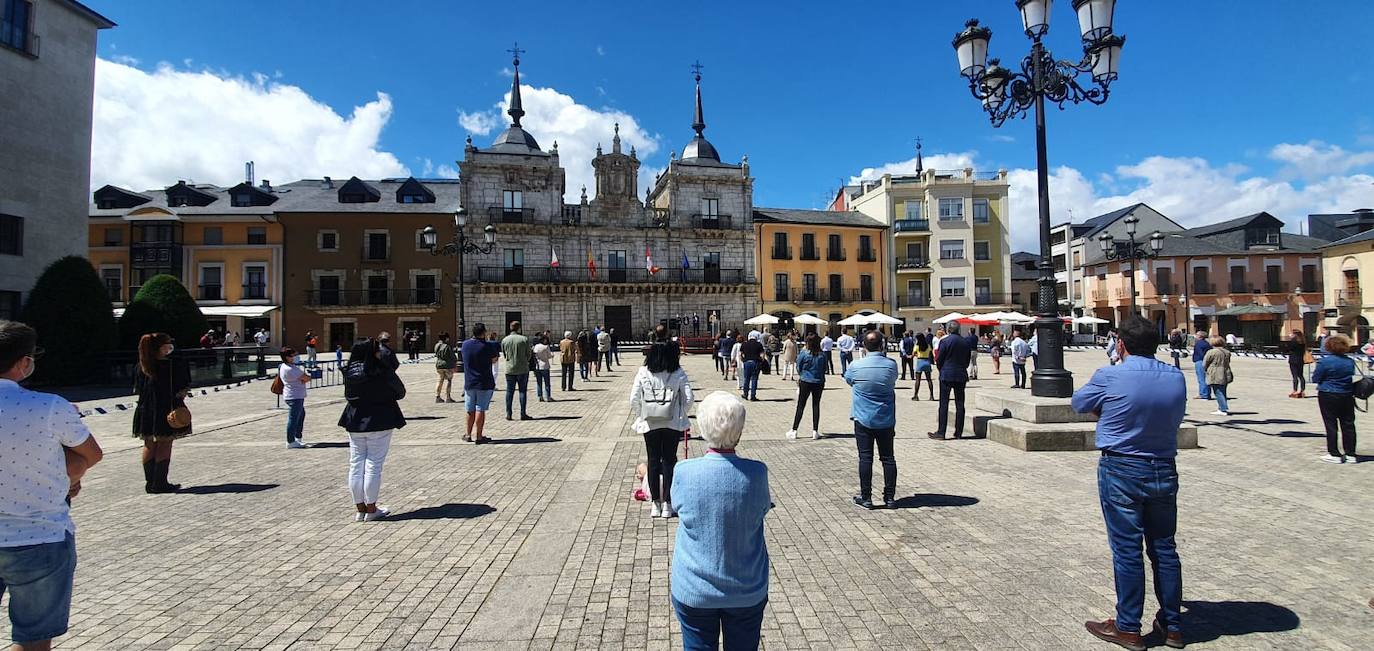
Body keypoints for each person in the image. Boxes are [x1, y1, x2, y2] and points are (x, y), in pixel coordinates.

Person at [1070, 316, 1186, 651]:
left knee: (1127, 550)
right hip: (1164, 467)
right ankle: (1173, 625)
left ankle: (1128, 626)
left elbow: (1079, 404)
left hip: (1122, 467)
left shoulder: (1110, 375)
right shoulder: (1175, 377)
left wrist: (1110, 413)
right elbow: (1175, 414)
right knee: (1164, 548)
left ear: (1120, 344)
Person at [0, 320, 104, 651]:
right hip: (39, 536)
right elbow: (91, 454)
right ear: (22, 363)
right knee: (32, 640)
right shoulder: (48, 407)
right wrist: (65, 478)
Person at [669, 392, 771, 650]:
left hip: (695, 587)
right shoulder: (757, 472)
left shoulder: (683, 471)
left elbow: (680, 508)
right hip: (746, 586)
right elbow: (761, 509)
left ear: (703, 427)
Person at [337, 338, 406, 522]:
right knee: (374, 465)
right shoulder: (380, 369)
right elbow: (400, 392)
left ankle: (360, 509)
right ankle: (372, 508)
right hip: (379, 418)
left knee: (356, 464)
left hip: (355, 420)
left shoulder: (349, 370)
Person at [629, 340, 694, 518]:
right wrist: (679, 412)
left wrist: (641, 413)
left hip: (650, 423)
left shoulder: (643, 372)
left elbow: (633, 397)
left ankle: (655, 504)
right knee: (669, 460)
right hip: (672, 422)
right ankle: (668, 503)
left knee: (653, 460)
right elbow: (689, 398)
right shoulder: (678, 372)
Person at [845, 331, 898, 510]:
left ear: (864, 346)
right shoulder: (891, 365)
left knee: (865, 458)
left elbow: (849, 380)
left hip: (863, 418)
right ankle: (890, 498)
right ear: (882, 345)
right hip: (886, 418)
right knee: (888, 458)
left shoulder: (855, 365)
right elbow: (893, 381)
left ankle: (866, 497)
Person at [132, 332, 191, 493]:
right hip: (166, 408)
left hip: (145, 409)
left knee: (149, 444)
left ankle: (150, 482)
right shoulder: (171, 365)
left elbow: (138, 389)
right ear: (161, 347)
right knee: (165, 443)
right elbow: (182, 388)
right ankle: (160, 482)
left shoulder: (141, 365)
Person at [1313, 334, 1359, 464]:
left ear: (1329, 347)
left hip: (1328, 393)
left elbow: (1316, 378)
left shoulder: (1324, 361)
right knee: (1348, 424)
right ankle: (1350, 453)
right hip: (1346, 394)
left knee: (1331, 424)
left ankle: (1334, 453)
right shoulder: (1349, 361)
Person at [929, 322, 974, 440]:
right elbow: (967, 360)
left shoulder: (944, 341)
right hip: (960, 374)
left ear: (948, 330)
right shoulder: (966, 342)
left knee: (944, 404)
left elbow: (939, 359)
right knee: (960, 403)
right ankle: (958, 432)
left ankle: (941, 432)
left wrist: (942, 369)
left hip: (946, 374)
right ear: (959, 330)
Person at [461, 324, 500, 444]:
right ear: (483, 332)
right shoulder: (487, 346)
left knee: (469, 409)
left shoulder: (465, 345)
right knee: (480, 409)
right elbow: (494, 360)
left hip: (469, 382)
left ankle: (468, 434)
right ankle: (478, 436)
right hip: (484, 381)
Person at [787, 333, 827, 440]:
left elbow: (798, 366)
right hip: (819, 381)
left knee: (800, 405)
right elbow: (825, 368)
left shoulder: (804, 353)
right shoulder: (822, 355)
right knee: (816, 405)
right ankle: (815, 431)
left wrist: (802, 375)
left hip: (805, 381)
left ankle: (794, 430)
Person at [279, 346, 311, 449]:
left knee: (300, 415)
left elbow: (304, 378)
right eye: (293, 355)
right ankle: (291, 441)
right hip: (295, 396)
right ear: (287, 357)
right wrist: (303, 379)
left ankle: (297, 437)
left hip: (293, 395)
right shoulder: (291, 369)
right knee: (293, 418)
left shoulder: (284, 367)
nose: (295, 357)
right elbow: (306, 378)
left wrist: (303, 379)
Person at [501, 321, 533, 421]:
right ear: (519, 328)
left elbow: (504, 354)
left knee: (509, 391)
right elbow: (529, 354)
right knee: (522, 391)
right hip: (522, 368)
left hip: (509, 369)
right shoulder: (524, 339)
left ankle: (508, 413)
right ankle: (523, 413)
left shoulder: (505, 340)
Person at [1203, 335, 1233, 417]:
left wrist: (1206, 370)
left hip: (1215, 373)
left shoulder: (1211, 352)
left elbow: (1205, 363)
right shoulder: (1227, 352)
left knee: (1217, 391)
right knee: (1223, 391)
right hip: (1226, 372)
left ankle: (1223, 409)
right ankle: (1221, 407)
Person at [739, 332, 765, 401]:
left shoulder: (744, 344)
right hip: (755, 362)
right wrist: (761, 361)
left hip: (747, 362)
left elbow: (740, 354)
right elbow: (762, 355)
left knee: (746, 378)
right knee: (754, 379)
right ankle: (753, 396)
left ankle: (745, 394)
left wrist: (743, 360)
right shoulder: (759, 344)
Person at [434, 333, 458, 404]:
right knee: (449, 380)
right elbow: (452, 356)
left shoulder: (436, 345)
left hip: (439, 365)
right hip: (447, 365)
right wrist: (455, 363)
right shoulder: (447, 346)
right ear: (446, 338)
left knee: (439, 380)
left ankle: (437, 396)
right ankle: (448, 397)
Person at [912, 333, 935, 400]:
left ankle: (916, 395)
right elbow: (930, 353)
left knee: (918, 380)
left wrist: (917, 355)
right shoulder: (928, 345)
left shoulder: (917, 346)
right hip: (927, 361)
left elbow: (913, 354)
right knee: (929, 380)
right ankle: (931, 396)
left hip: (920, 361)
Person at [1285, 330, 1308, 399]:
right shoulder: (1302, 341)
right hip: (1300, 360)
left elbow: (1288, 349)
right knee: (1301, 375)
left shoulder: (1293, 341)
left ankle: (1294, 390)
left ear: (1294, 334)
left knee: (1295, 376)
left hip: (1293, 360)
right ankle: (1302, 391)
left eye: (1292, 333)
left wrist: (1290, 340)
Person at [533, 334, 555, 403]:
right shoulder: (546, 347)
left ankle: (540, 396)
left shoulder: (536, 346)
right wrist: (552, 355)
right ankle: (548, 396)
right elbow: (549, 356)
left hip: (537, 366)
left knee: (539, 382)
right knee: (547, 382)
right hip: (545, 365)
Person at [1191, 330, 1212, 400]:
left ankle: (1203, 394)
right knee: (1207, 378)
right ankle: (1207, 393)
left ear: (1200, 336)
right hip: (1207, 362)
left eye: (1196, 335)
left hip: (1200, 361)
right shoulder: (1207, 343)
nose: (1195, 336)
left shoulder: (1198, 344)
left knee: (1201, 379)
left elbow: (1201, 353)